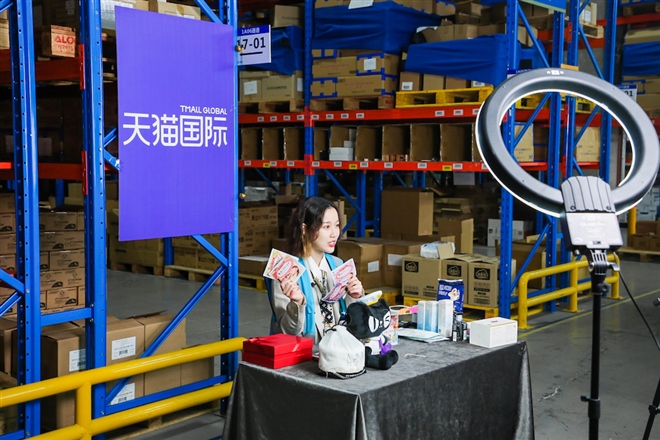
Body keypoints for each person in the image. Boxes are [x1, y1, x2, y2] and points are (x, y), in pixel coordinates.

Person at [270, 196, 364, 343]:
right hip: (306, 351)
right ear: (304, 228)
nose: (335, 233)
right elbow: (286, 331)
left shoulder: (338, 264)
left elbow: (352, 321)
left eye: (337, 225)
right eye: (326, 227)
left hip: (338, 347)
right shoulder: (286, 271)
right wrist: (297, 303)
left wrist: (354, 297)